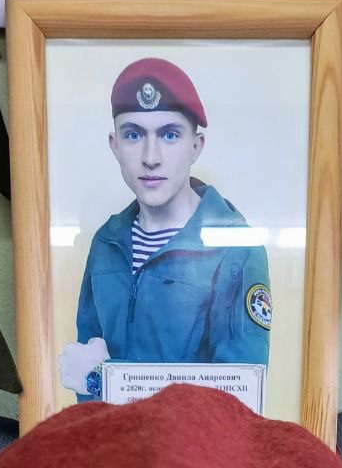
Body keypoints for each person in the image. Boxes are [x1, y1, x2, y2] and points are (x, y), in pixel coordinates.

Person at [59, 58, 272, 399]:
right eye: (133, 135)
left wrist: (104, 380)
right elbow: (88, 367)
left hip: (193, 438)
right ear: (115, 146)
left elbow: (236, 398)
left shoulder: (236, 249)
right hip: (110, 435)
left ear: (195, 147)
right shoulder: (106, 242)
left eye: (170, 135)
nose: (151, 157)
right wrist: (94, 383)